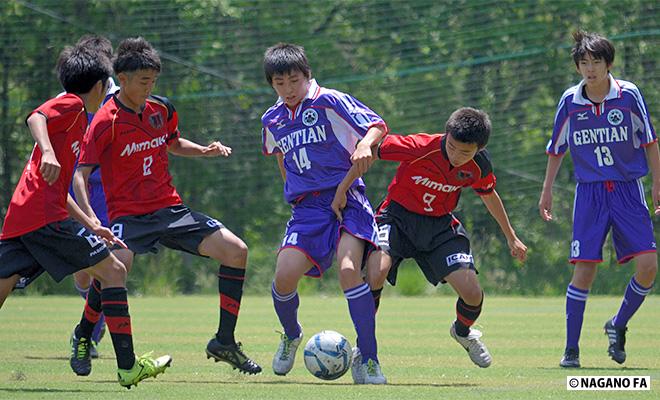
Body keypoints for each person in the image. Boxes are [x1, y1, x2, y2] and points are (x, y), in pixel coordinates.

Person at [71, 37, 261, 376]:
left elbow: (172, 143)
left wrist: (203, 150)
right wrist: (89, 219)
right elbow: (80, 175)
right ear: (123, 79)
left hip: (170, 210)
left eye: (153, 81)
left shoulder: (162, 108)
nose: (149, 87)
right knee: (116, 267)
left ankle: (224, 341)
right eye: (144, 81)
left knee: (236, 251)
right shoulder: (105, 121)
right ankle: (84, 334)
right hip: (128, 216)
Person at [0, 44, 171, 389]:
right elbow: (36, 116)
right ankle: (127, 367)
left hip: (27, 217)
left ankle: (107, 351)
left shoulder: (77, 125)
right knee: (114, 270)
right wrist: (47, 150)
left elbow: (58, 189)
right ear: (98, 87)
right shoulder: (74, 106)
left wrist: (91, 223)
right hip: (45, 220)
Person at [333, 107, 527, 372]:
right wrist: (342, 189)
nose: (457, 156)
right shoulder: (420, 146)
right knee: (377, 271)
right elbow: (371, 151)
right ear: (446, 135)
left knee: (472, 292)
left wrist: (511, 237)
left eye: (466, 152)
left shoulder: (479, 165)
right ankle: (363, 347)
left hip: (439, 226)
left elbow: (489, 195)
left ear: (479, 149)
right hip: (396, 218)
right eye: (453, 147)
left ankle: (462, 331)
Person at [261, 43, 387, 384]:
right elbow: (280, 158)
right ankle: (290, 335)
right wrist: (296, 194)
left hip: (347, 198)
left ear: (307, 75)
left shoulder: (329, 100)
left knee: (349, 271)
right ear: (272, 84)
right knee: (284, 275)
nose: (288, 89)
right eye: (279, 83)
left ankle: (369, 360)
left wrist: (363, 144)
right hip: (308, 208)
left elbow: (377, 125)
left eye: (294, 80)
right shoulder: (271, 119)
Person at [539, 31, 658, 368]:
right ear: (578, 66)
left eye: (596, 62)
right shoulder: (569, 101)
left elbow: (649, 141)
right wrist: (546, 189)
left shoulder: (629, 95)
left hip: (627, 189)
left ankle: (617, 324)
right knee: (585, 271)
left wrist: (657, 184)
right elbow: (556, 149)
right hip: (590, 194)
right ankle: (571, 349)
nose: (590, 68)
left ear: (609, 64)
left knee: (649, 267)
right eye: (584, 62)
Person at [65, 35, 118, 359]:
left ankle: (90, 331)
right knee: (82, 270)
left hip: (111, 192)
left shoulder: (119, 99)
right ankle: (91, 326)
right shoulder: (69, 97)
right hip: (78, 188)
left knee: (106, 262)